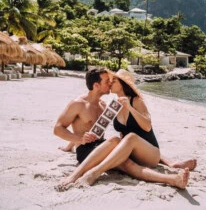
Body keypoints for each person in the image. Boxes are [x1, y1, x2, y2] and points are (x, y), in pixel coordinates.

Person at [55, 68, 191, 190]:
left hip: (103, 146)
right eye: (107, 81)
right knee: (120, 146)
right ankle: (77, 175)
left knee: (126, 160)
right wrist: (75, 141)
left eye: (112, 81)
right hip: (88, 150)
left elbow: (91, 129)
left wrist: (73, 143)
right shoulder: (78, 104)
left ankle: (173, 179)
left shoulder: (106, 106)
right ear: (96, 85)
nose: (110, 83)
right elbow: (60, 129)